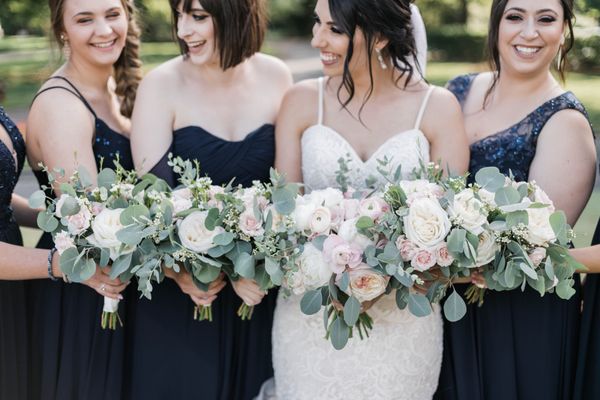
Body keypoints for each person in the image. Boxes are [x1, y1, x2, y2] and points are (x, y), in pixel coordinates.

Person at [265, 0, 469, 398]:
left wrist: (384, 280)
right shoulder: (301, 101)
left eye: (334, 29)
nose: (317, 39)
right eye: (316, 24)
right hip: (312, 317)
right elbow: (284, 214)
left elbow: (452, 230)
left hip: (404, 319)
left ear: (379, 36)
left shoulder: (438, 107)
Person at [127, 0, 292, 398]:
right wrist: (212, 272)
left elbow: (289, 195)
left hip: (259, 296)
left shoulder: (276, 76)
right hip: (186, 294)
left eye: (198, 16)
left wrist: (254, 271)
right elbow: (153, 206)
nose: (184, 30)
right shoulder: (161, 84)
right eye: (179, 16)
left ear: (236, 13)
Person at [435, 1, 596, 399]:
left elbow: (534, 248)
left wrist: (439, 270)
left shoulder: (565, 121)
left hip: (515, 319)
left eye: (545, 19)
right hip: (441, 305)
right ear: (496, 23)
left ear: (563, 31)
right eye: (515, 16)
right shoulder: (457, 89)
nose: (529, 32)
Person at [25, 0, 142, 398]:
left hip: (120, 280)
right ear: (61, 30)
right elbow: (94, 220)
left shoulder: (113, 88)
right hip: (85, 290)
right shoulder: (61, 104)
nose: (104, 30)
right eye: (84, 19)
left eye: (112, 14)